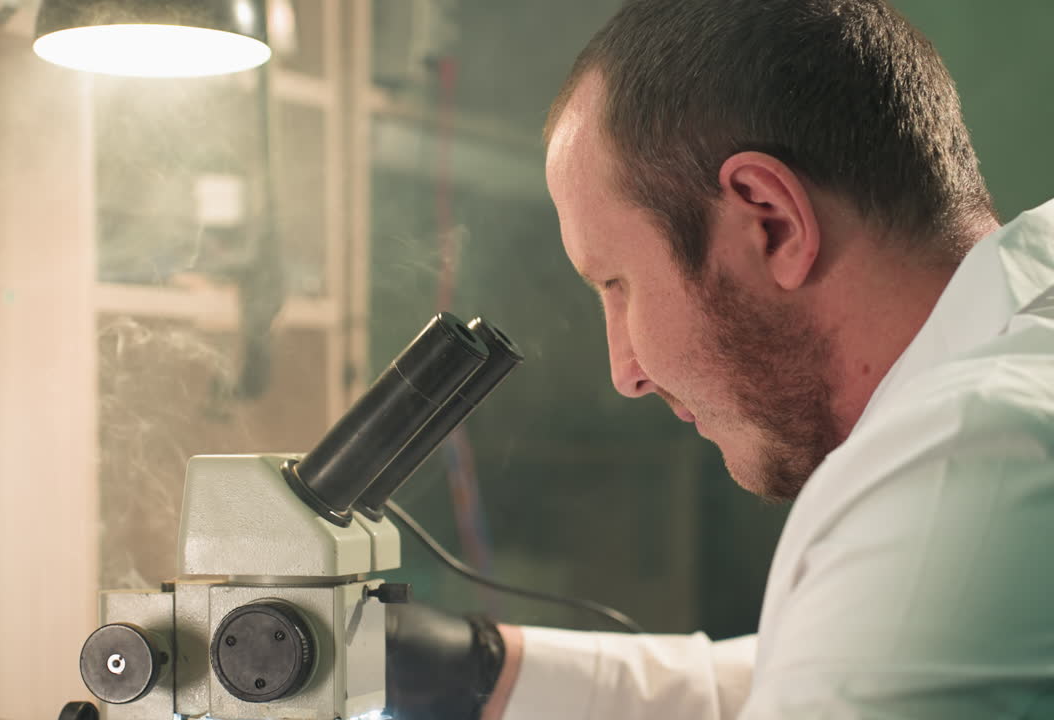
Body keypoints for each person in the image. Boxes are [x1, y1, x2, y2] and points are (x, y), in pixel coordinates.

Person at [386, 0, 1054, 718]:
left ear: (770, 221)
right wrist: (479, 669)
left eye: (617, 284)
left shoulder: (967, 459)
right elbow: (810, 665)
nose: (626, 372)